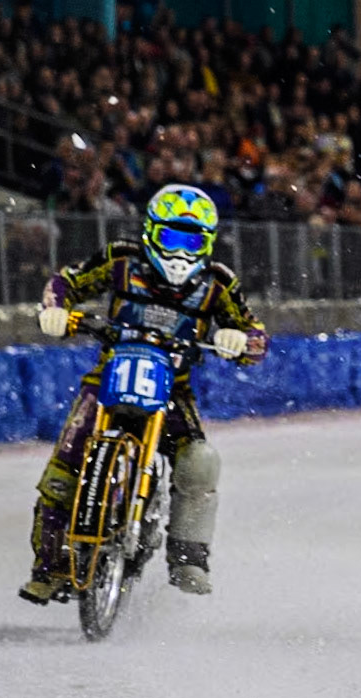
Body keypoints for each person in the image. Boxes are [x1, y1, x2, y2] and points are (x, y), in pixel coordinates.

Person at [19, 184, 269, 604]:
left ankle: (188, 557)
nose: (180, 253)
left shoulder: (217, 284)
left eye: (192, 242)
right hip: (108, 377)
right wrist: (55, 309)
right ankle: (50, 568)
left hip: (174, 389)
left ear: (207, 244)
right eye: (172, 238)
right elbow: (67, 281)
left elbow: (255, 334)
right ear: (152, 232)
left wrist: (238, 340)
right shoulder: (121, 260)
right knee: (64, 471)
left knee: (199, 462)